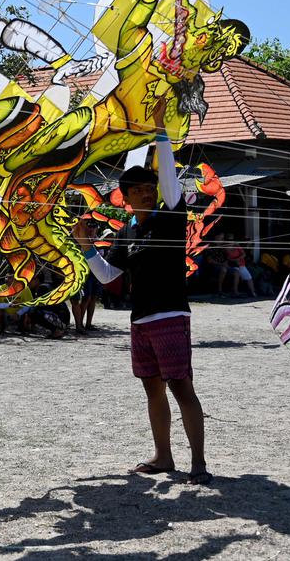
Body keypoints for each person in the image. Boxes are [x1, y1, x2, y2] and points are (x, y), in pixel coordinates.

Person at [72, 123, 211, 485]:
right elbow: (108, 277)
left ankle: (198, 462)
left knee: (182, 388)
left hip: (171, 314)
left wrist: (162, 133)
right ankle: (164, 456)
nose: (147, 194)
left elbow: (169, 176)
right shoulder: (125, 232)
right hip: (141, 320)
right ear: (126, 196)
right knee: (152, 388)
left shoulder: (170, 218)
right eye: (138, 190)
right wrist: (87, 249)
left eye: (150, 188)